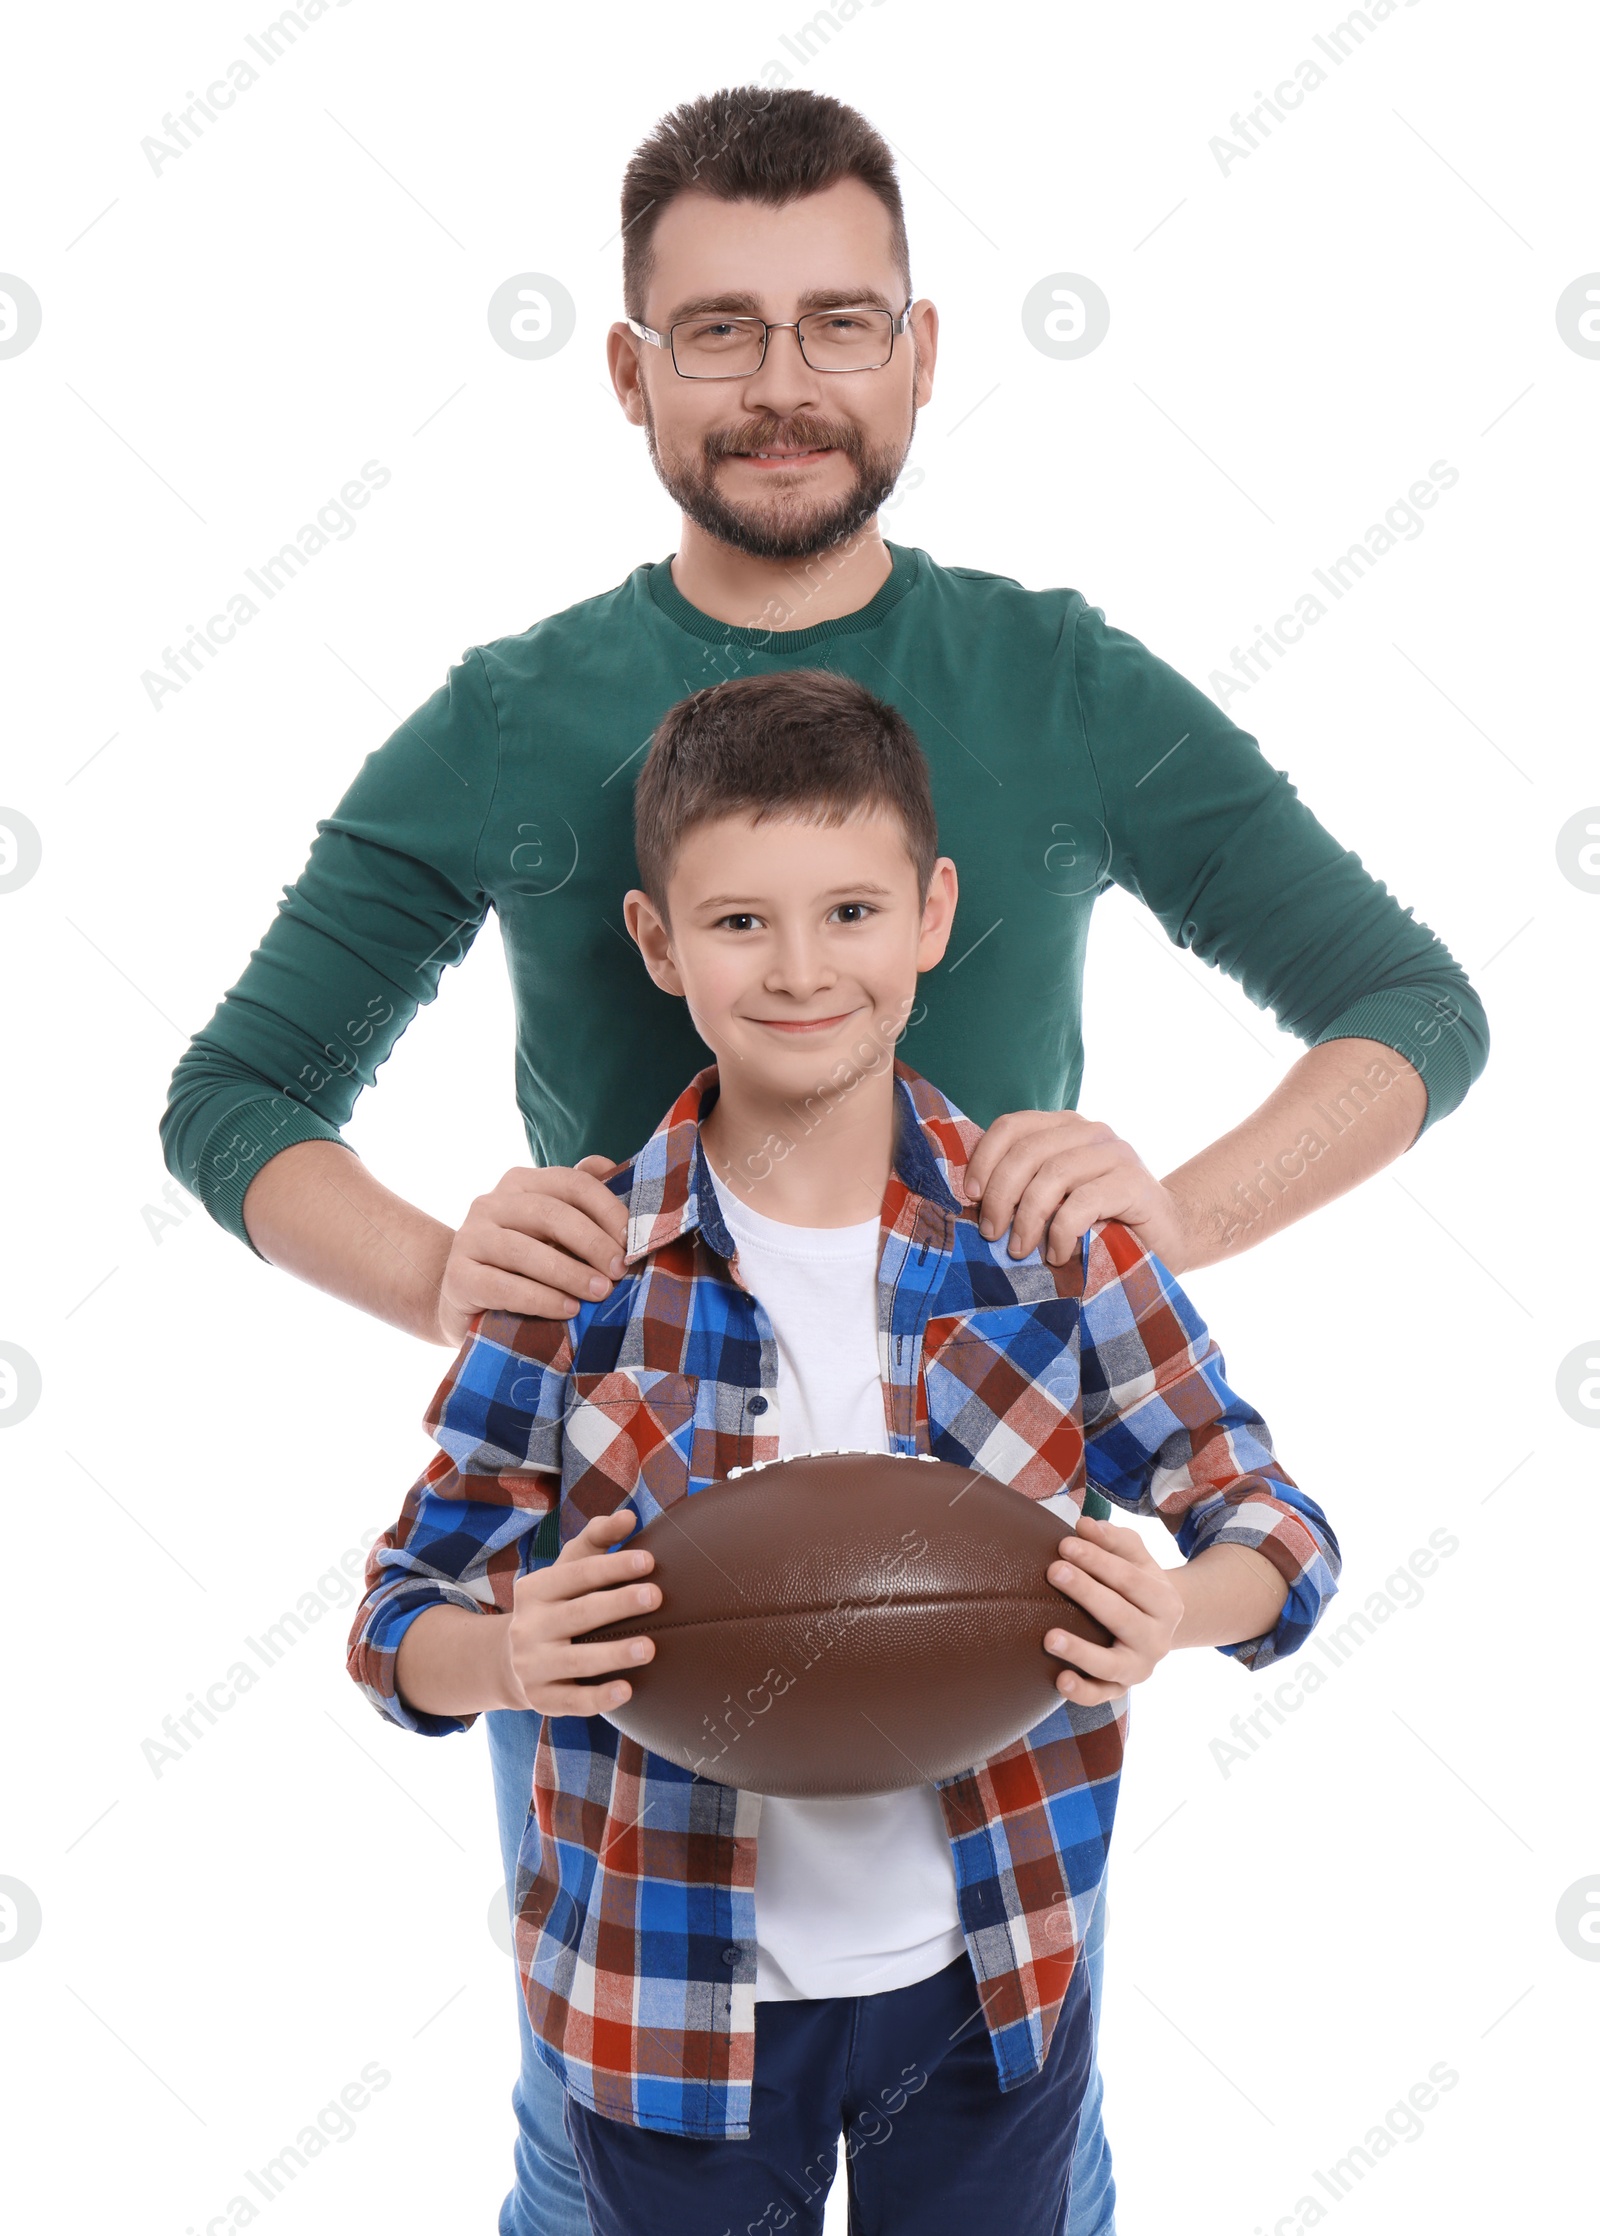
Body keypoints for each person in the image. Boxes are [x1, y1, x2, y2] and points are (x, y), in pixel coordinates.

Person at [162, 84, 1484, 2236]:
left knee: (1011, 2108)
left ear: (921, 347)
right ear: (628, 369)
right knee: (612, 2130)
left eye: (837, 321)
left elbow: (1412, 1005)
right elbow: (233, 1097)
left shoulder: (1054, 677)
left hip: (969, 1581)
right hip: (634, 1564)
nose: (783, 384)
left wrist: (1158, 1219)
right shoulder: (512, 715)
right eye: (717, 330)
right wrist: (445, 1275)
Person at [347, 667, 1342, 2236]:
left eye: (853, 913)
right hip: (663, 2001)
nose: (803, 969)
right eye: (740, 922)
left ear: (936, 914)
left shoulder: (1056, 1246)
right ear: (657, 944)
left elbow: (1277, 1529)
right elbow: (395, 1617)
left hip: (990, 1988)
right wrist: (508, 1654)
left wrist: (1175, 1609)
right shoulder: (577, 1270)